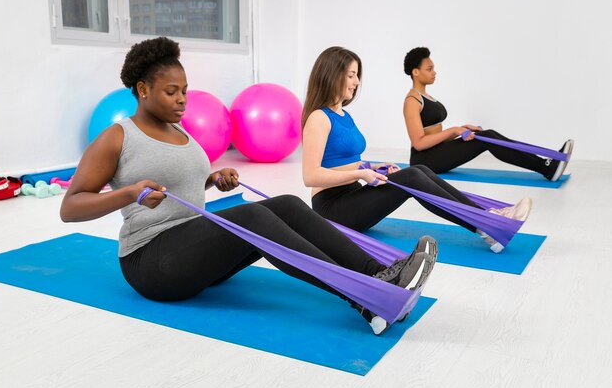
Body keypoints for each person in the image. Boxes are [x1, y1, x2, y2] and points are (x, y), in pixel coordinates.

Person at [59, 37, 437, 336]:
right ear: (142, 90)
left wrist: (211, 180)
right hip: (151, 263)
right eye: (171, 91)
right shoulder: (116, 137)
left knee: (287, 204)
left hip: (190, 248)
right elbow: (70, 207)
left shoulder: (180, 132)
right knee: (254, 217)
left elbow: (177, 186)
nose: (182, 100)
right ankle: (366, 298)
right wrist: (128, 193)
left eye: (185, 90)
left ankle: (378, 274)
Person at [301, 46, 532, 254]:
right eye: (351, 75)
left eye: (357, 75)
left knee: (420, 169)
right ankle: (487, 225)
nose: (357, 81)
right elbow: (310, 176)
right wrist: (361, 174)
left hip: (352, 195)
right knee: (411, 176)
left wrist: (370, 167)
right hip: (332, 210)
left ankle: (486, 218)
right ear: (332, 75)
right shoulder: (318, 118)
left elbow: (342, 161)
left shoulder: (344, 115)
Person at [402, 47, 574, 181]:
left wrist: (462, 129)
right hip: (424, 160)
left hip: (436, 152)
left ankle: (546, 164)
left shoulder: (426, 97)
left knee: (486, 135)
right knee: (487, 138)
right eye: (429, 69)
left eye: (433, 68)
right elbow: (419, 143)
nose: (434, 72)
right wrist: (454, 130)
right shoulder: (412, 101)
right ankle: (546, 167)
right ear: (415, 72)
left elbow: (434, 136)